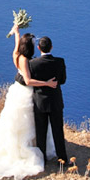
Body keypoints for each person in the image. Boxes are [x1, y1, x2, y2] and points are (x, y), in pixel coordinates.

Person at [0, 23, 57, 180]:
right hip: (25, 93)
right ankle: (26, 148)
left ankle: (28, 144)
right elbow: (29, 81)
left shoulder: (17, 56)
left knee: (17, 123)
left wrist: (16, 31)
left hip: (16, 91)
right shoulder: (26, 61)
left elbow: (17, 45)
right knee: (27, 122)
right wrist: (47, 83)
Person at [29, 36, 68, 164]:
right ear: (51, 47)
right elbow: (62, 81)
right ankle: (62, 159)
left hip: (40, 102)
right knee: (58, 131)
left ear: (39, 48)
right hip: (55, 101)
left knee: (41, 132)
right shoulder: (60, 62)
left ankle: (42, 160)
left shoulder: (33, 63)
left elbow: (29, 81)